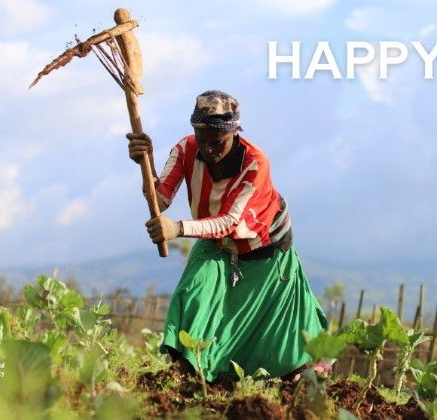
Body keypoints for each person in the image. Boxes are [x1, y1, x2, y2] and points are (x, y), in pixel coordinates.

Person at [127, 90, 327, 381]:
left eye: (217, 142)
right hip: (216, 241)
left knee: (284, 333)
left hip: (266, 244)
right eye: (202, 140)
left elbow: (232, 222)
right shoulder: (185, 149)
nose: (208, 149)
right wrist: (146, 164)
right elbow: (160, 200)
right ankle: (185, 370)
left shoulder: (255, 163)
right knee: (194, 291)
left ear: (234, 133)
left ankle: (300, 375)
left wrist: (178, 229)